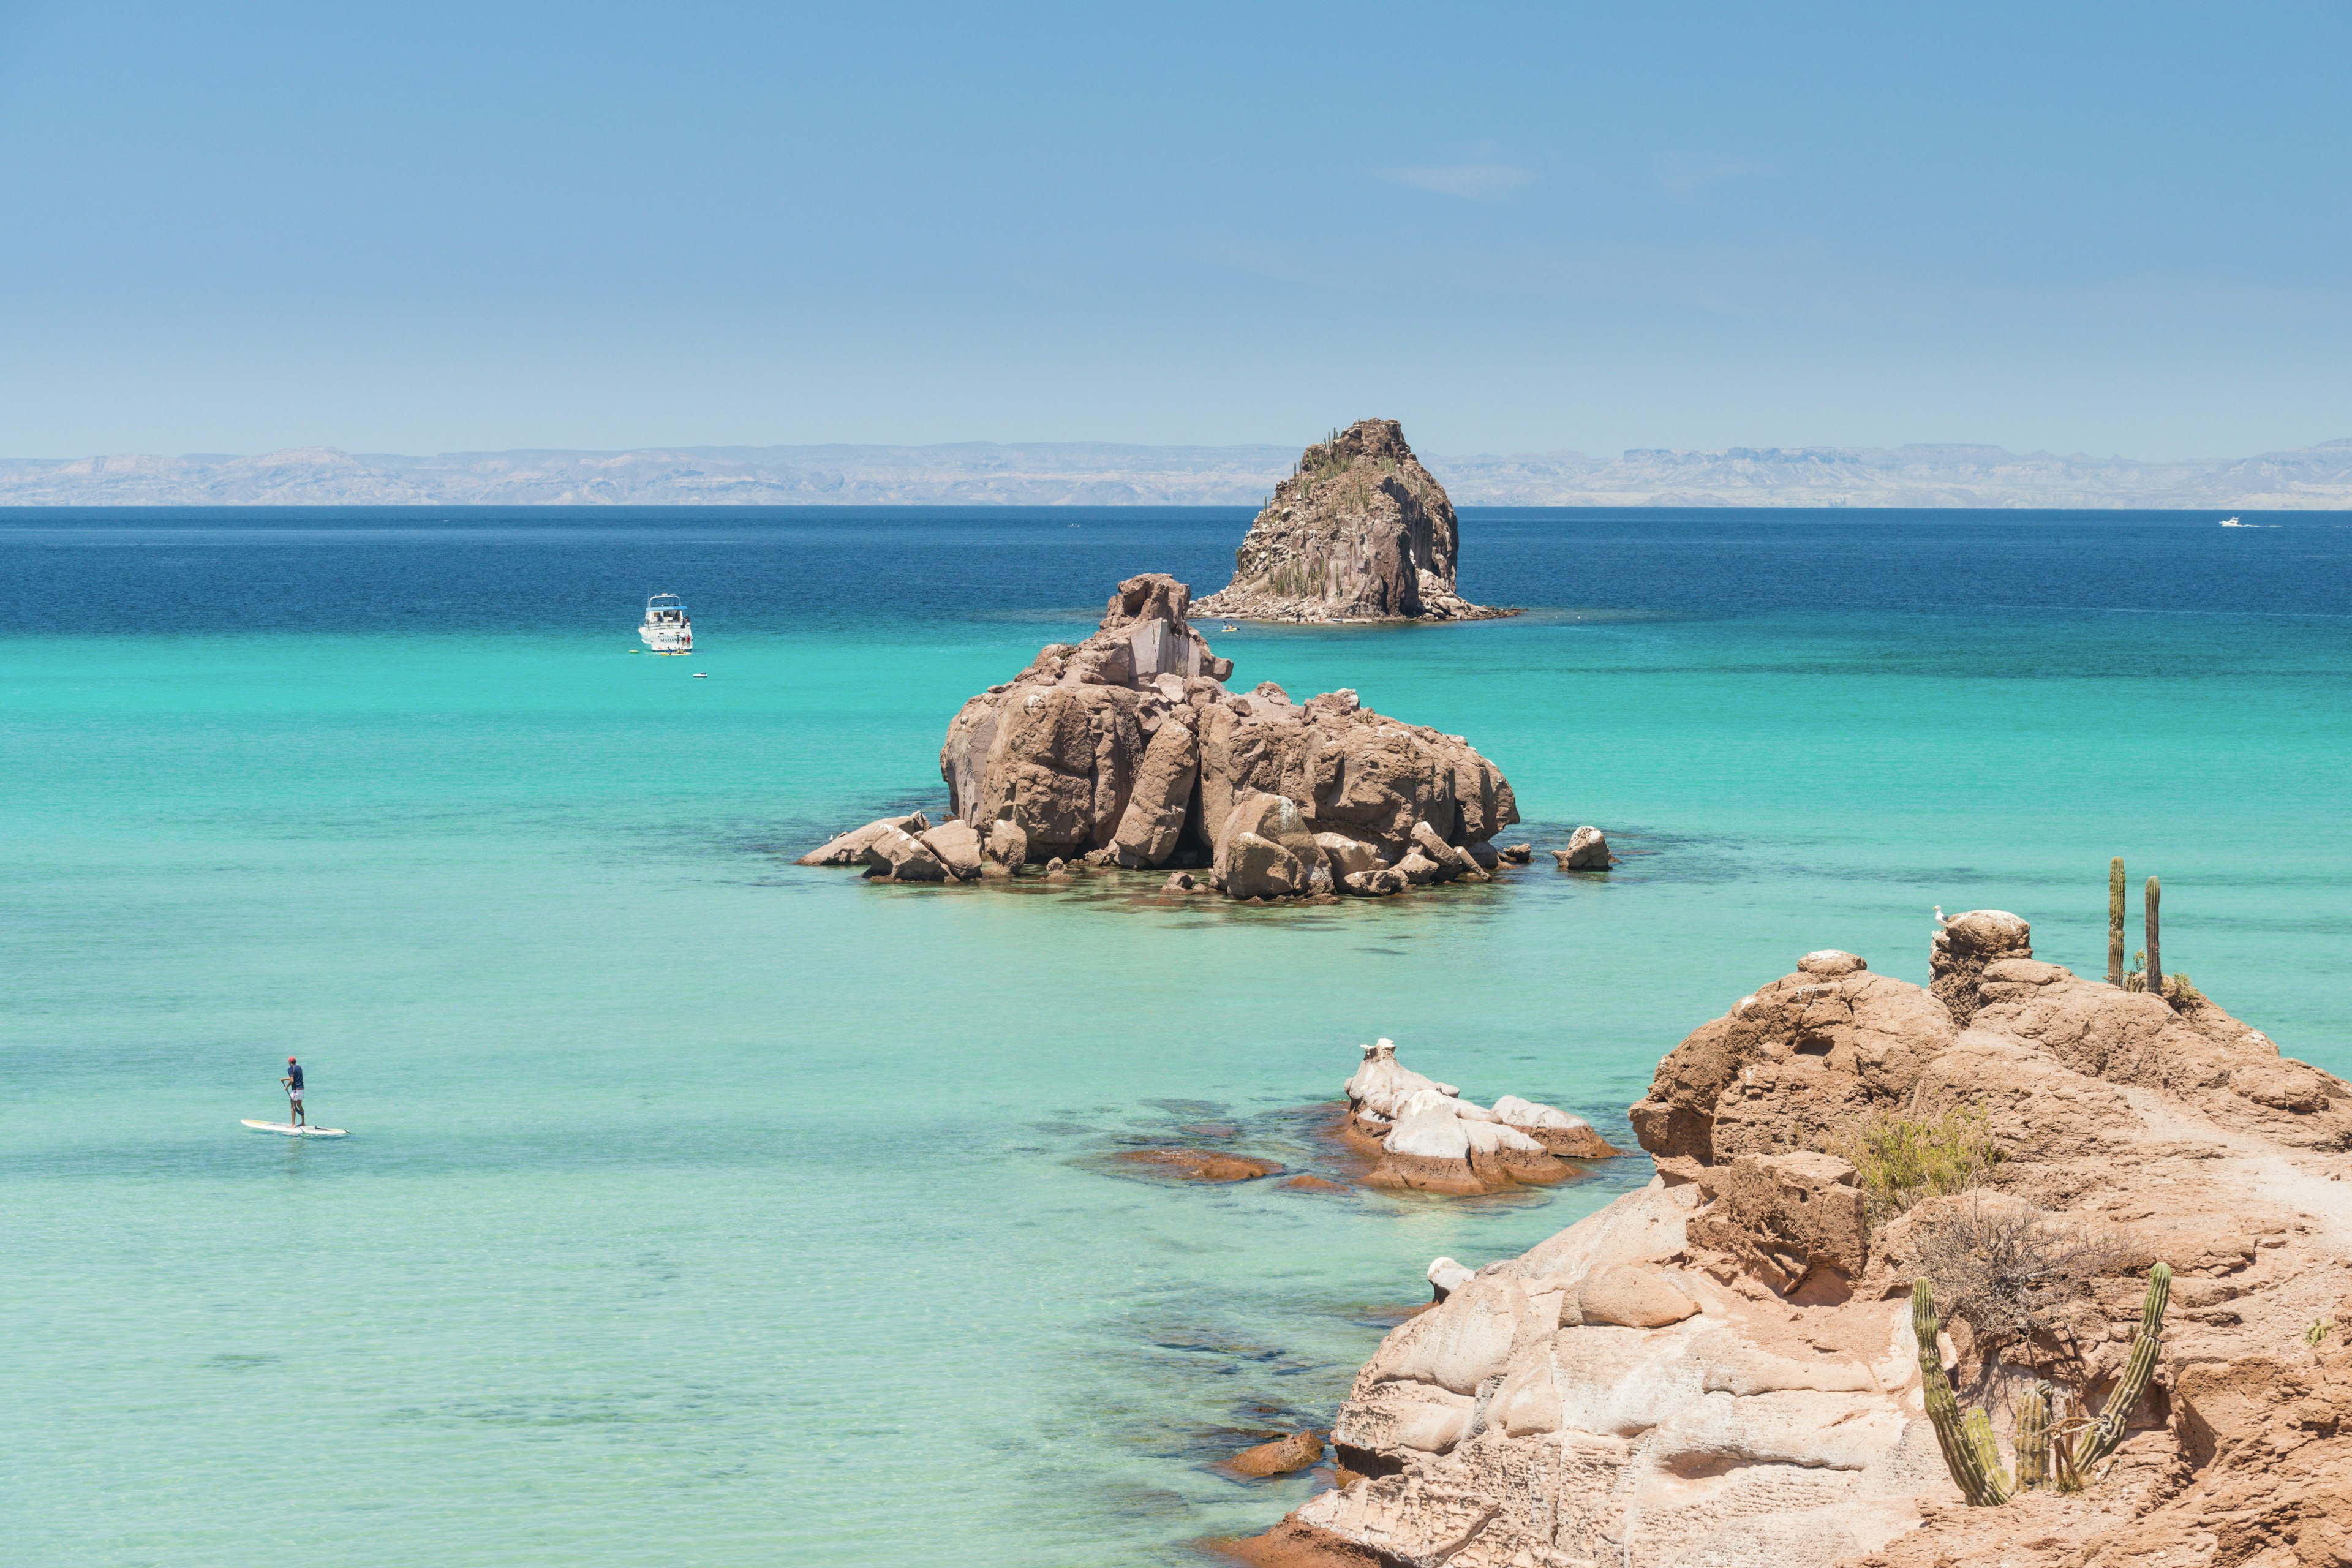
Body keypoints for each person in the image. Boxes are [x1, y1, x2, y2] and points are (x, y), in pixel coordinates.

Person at [281, 1055, 306, 1126]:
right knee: (300, 1106)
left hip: (296, 1090)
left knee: (293, 1106)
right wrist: (285, 1079)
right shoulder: (300, 1067)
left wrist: (286, 1087)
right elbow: (295, 1077)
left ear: (289, 1062)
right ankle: (303, 1123)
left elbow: (292, 1080)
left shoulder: (290, 1069)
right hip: (302, 1089)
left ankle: (293, 1124)